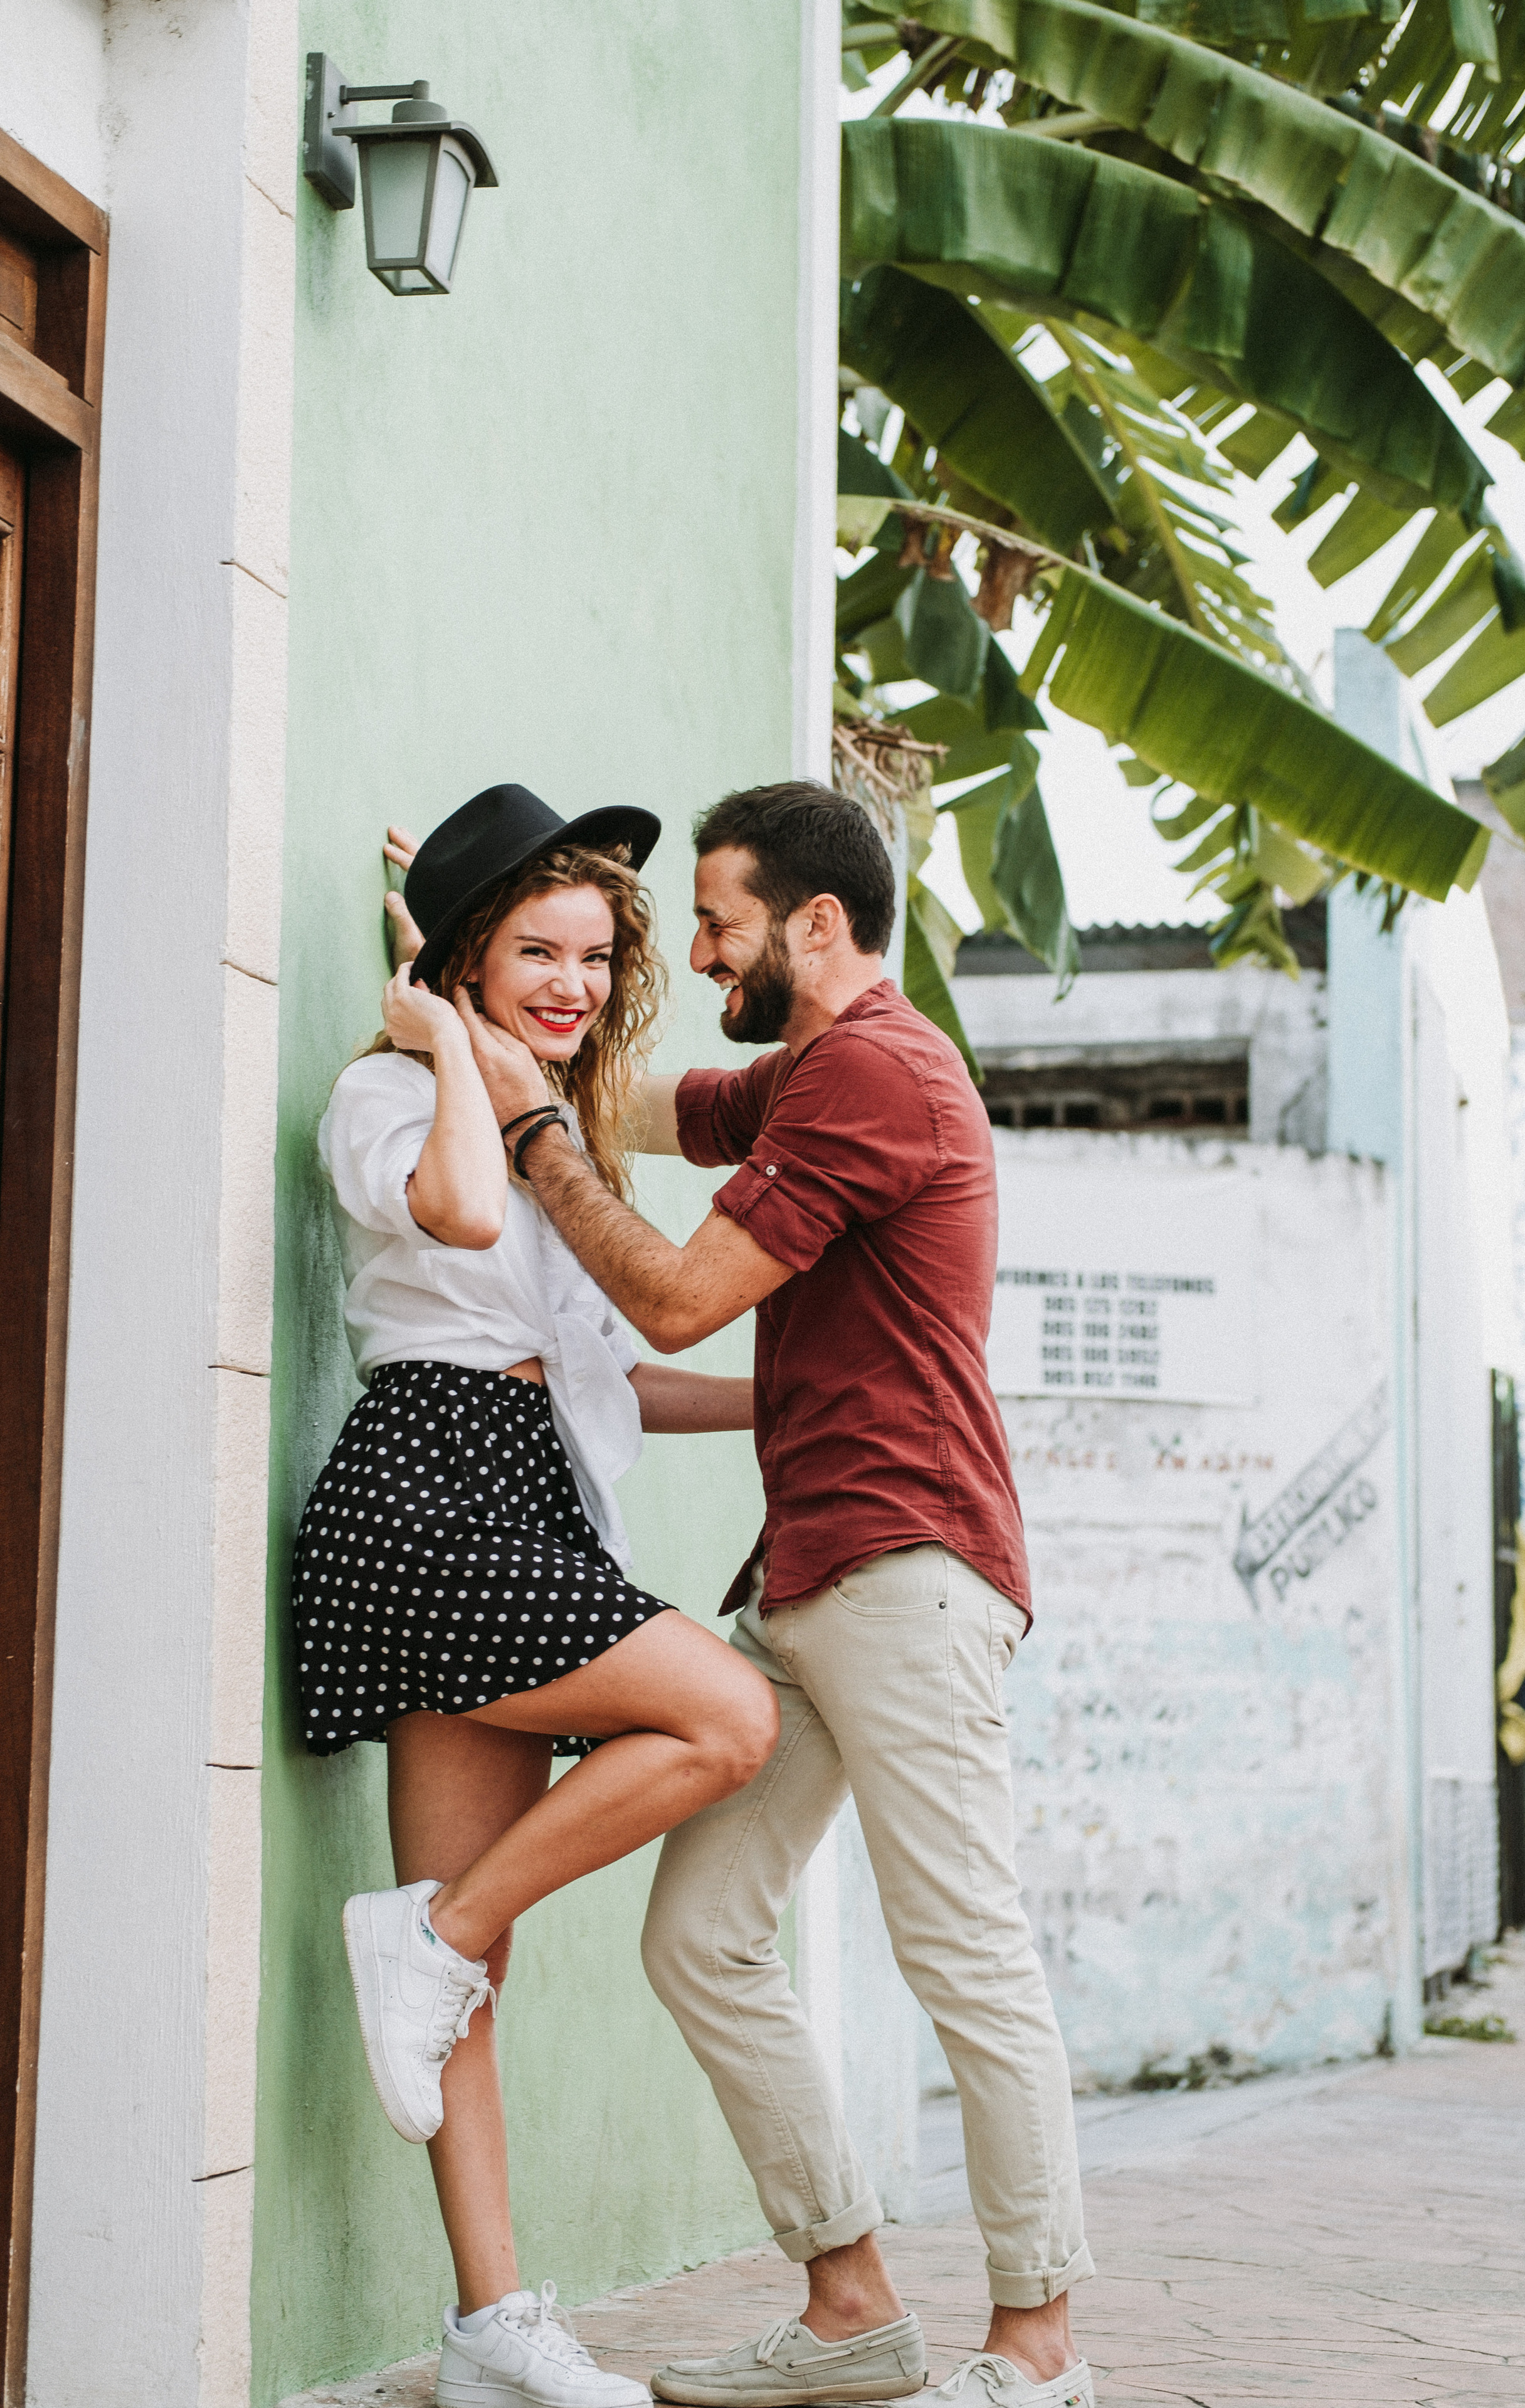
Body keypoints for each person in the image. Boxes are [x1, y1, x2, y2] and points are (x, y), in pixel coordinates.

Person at [424, 781, 1096, 2408]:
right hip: (808, 1580)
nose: (704, 951)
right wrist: (472, 957)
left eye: (722, 923)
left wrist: (530, 1134)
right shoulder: (809, 1073)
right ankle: (853, 2309)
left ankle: (1039, 2352)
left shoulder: (877, 1073)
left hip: (911, 1569)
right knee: (705, 1937)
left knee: (964, 1952)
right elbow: (644, 1103)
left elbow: (671, 1299)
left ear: (816, 923)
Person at [297, 782, 778, 2408]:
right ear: (464, 963)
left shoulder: (548, 1126)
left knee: (469, 1984)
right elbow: (455, 1213)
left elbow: (608, 1377)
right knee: (730, 1716)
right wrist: (444, 1043)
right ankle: (428, 1936)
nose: (574, 985)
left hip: (528, 1497)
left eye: (593, 955)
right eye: (535, 953)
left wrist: (795, 1404)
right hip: (426, 1491)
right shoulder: (386, 1096)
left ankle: (490, 2327)